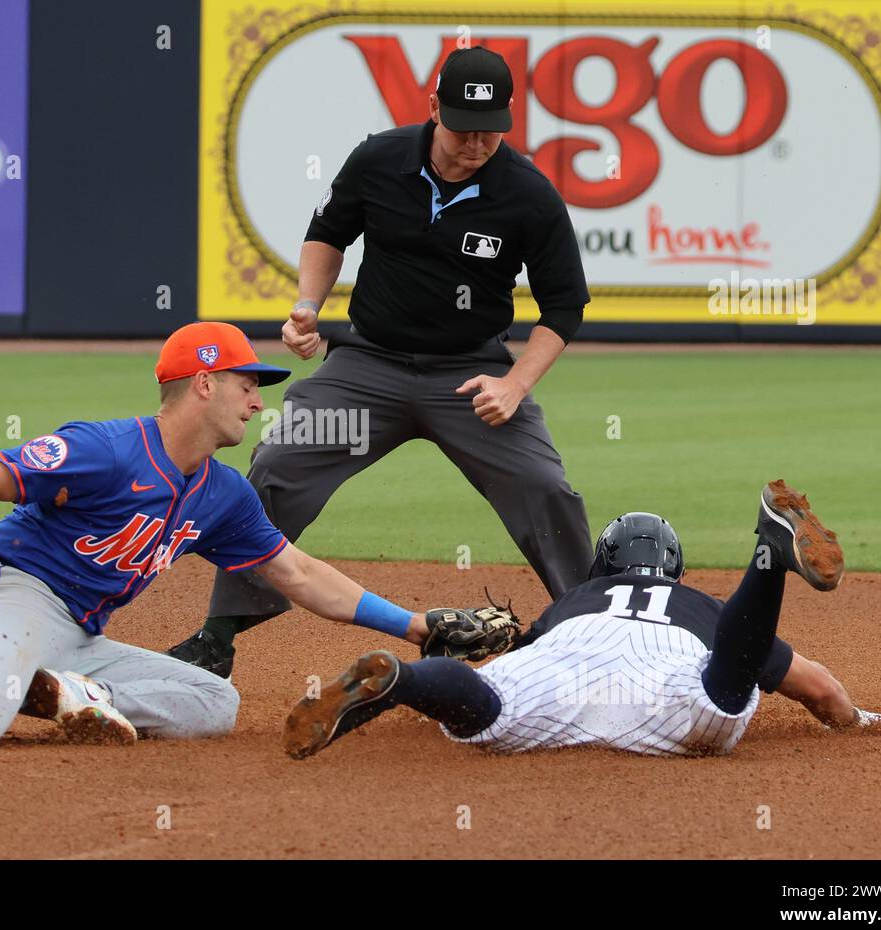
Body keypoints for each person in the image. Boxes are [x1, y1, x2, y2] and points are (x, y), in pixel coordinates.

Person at [0, 323, 498, 748]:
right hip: (7, 589)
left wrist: (417, 625)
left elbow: (298, 574)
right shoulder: (108, 448)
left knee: (212, 701)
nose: (258, 402)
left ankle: (74, 692)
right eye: (249, 385)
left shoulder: (219, 494)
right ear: (203, 383)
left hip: (76, 635)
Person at [169, 45, 594, 679]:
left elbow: (564, 306)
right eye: (461, 125)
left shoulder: (528, 194)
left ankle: (597, 631)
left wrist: (514, 384)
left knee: (544, 488)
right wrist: (307, 305)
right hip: (367, 366)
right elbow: (329, 233)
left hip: (469, 376)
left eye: (490, 128)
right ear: (432, 109)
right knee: (280, 462)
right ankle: (218, 635)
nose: (475, 141)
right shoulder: (379, 159)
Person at [283, 480, 881, 760]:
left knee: (489, 708)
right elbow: (820, 691)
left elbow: (496, 671)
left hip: (563, 661)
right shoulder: (702, 608)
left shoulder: (566, 607)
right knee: (722, 690)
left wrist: (446, 668)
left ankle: (403, 684)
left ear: (602, 567)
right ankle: (767, 558)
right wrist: (861, 722)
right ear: (676, 569)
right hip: (665, 679)